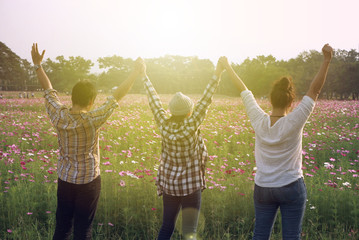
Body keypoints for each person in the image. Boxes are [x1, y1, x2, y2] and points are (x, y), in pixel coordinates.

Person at [220, 44, 333, 240]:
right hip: (291, 186)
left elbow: (243, 90)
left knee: (260, 235)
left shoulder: (258, 119)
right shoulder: (295, 120)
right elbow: (314, 90)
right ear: (291, 103)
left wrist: (227, 67)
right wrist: (326, 60)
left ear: (271, 100)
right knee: (291, 236)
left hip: (263, 187)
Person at [31, 43, 142, 240]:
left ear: (72, 97)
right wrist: (134, 73)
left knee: (62, 227)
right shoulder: (92, 119)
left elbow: (48, 90)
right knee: (83, 230)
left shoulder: (58, 115)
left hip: (65, 180)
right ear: (91, 101)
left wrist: (38, 65)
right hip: (89, 181)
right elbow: (117, 96)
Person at [137, 58, 225, 240]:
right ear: (189, 112)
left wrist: (144, 75)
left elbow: (153, 100)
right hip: (191, 185)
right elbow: (206, 99)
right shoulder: (191, 124)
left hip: (169, 185)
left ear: (170, 111)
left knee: (166, 227)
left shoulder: (164, 124)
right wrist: (218, 72)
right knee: (189, 231)